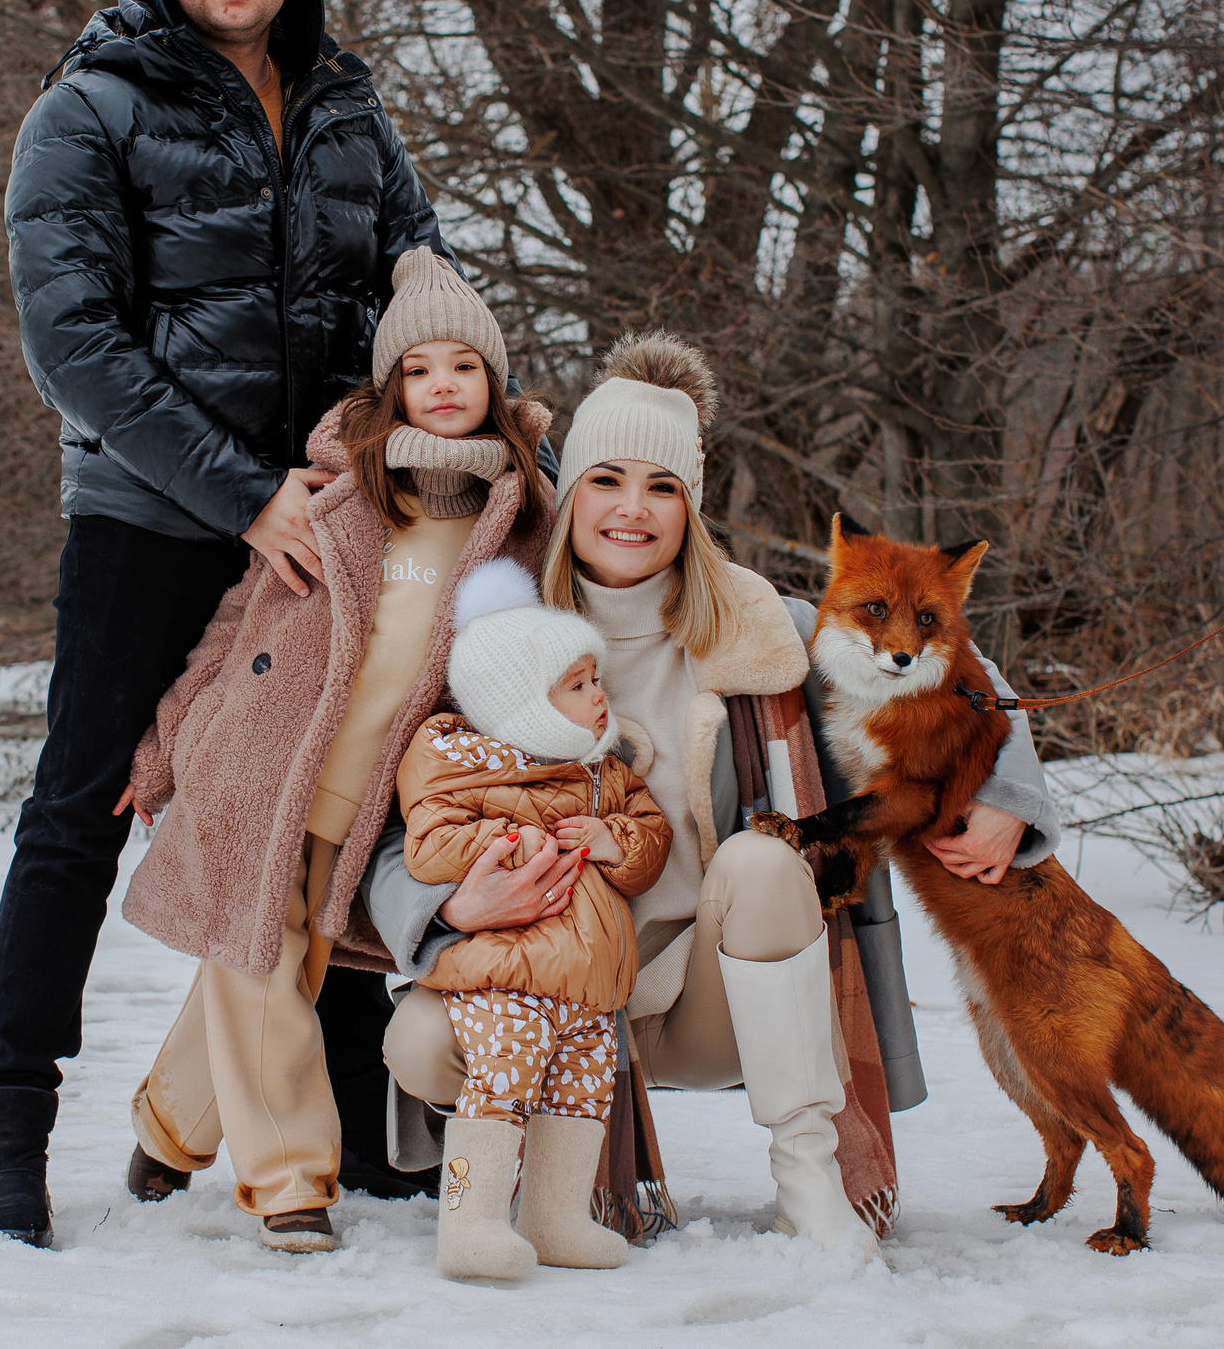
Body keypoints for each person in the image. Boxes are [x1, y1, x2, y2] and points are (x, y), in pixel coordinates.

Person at [0, 0, 451, 1246]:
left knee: (342, 799)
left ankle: (354, 1119)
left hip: (333, 522)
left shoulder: (349, 112)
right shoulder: (89, 109)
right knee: (79, 810)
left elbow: (422, 290)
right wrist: (247, 493)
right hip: (152, 518)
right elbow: (75, 343)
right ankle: (11, 1136)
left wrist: (412, 446)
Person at [369, 332, 1062, 1250]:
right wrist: (449, 903)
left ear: (690, 507)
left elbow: (955, 679)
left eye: (663, 487)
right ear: (570, 493)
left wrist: (1009, 791)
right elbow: (402, 818)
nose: (632, 508)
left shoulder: (757, 625)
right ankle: (542, 1173)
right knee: (418, 1040)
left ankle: (810, 1180)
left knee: (764, 860)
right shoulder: (504, 636)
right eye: (607, 479)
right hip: (546, 981)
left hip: (713, 992)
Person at [112, 251, 556, 1253]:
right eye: (419, 369)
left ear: (493, 383)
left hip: (373, 803)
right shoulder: (332, 496)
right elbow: (234, 628)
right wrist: (163, 750)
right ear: (391, 387)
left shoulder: (522, 521)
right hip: (258, 769)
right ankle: (290, 1183)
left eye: (464, 367)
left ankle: (166, 1129)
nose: (443, 386)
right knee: (262, 971)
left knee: (270, 966)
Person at [395, 559, 672, 1281]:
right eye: (577, 686)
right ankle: (468, 1221)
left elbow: (652, 837)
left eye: (595, 679)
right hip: (507, 975)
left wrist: (615, 838)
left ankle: (553, 1218)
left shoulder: (603, 772)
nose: (600, 696)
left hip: (588, 982)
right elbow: (428, 845)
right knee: (501, 1085)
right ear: (523, 702)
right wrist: (514, 842)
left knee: (581, 1091)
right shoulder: (458, 758)